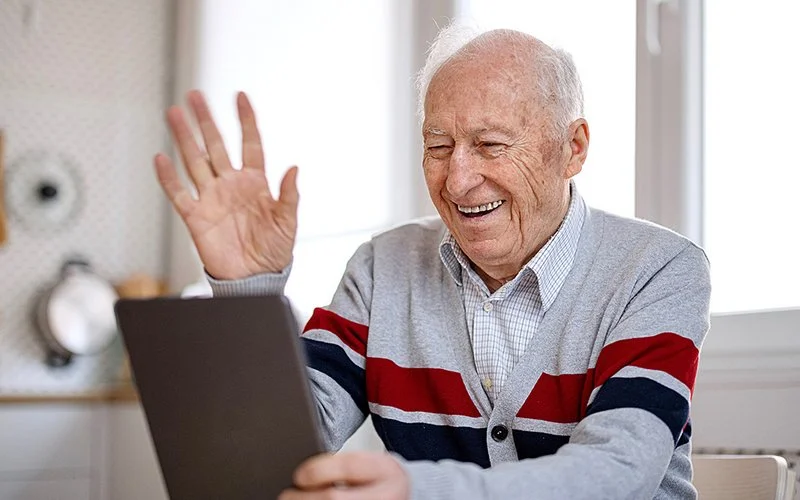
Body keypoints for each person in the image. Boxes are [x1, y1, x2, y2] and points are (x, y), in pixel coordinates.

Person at [154, 24, 710, 500]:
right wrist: (248, 289)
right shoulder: (380, 269)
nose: (459, 180)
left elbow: (617, 474)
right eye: (438, 147)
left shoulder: (657, 269)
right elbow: (280, 450)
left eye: (490, 145)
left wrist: (417, 490)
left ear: (574, 148)